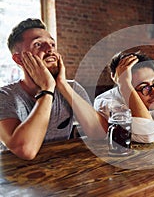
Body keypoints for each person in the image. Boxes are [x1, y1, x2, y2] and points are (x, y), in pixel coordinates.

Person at [0, 18, 106, 160]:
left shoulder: (71, 88)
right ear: (19, 59)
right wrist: (47, 89)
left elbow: (100, 133)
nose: (49, 49)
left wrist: (62, 84)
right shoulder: (4, 96)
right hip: (15, 178)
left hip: (62, 174)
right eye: (38, 44)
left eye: (52, 44)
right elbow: (26, 151)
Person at [94, 52, 154, 143]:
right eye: (144, 87)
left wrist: (151, 124)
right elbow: (148, 135)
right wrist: (125, 84)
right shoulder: (107, 103)